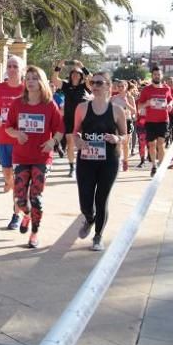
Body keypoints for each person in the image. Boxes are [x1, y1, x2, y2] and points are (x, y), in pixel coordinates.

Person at [5, 66, 64, 249]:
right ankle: (27, 214)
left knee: (36, 197)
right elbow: (8, 126)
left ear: (42, 82)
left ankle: (34, 233)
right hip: (21, 156)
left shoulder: (49, 104)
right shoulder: (17, 103)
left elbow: (60, 129)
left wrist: (52, 142)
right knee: (20, 198)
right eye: (28, 78)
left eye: (34, 78)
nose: (30, 81)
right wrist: (16, 134)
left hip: (42, 156)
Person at [74, 71, 127, 251]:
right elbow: (75, 132)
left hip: (108, 161)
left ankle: (98, 236)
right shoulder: (82, 108)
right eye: (93, 83)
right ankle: (89, 218)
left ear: (108, 87)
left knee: (102, 199)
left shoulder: (117, 110)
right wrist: (78, 140)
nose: (95, 86)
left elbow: (126, 135)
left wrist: (117, 139)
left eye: (99, 83)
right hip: (86, 159)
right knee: (85, 201)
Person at [0, 55, 26, 228]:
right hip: (2, 139)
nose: (12, 69)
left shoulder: (27, 89)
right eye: (9, 66)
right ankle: (8, 183)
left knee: (18, 179)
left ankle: (16, 215)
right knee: (8, 176)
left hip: (21, 140)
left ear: (22, 70)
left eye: (15, 66)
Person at [52, 61, 92, 179]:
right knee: (70, 143)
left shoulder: (85, 86)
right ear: (70, 76)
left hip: (83, 119)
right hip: (69, 119)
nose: (75, 76)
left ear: (81, 76)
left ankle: (85, 166)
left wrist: (82, 66)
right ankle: (71, 167)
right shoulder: (66, 85)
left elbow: (92, 78)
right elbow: (54, 79)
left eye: (78, 74)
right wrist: (59, 66)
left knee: (84, 143)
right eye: (73, 74)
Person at [137, 66, 173, 178]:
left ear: (161, 76)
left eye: (159, 74)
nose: (157, 76)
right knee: (151, 145)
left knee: (160, 144)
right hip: (150, 121)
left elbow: (170, 99)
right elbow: (139, 106)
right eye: (155, 74)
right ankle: (154, 166)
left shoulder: (166, 89)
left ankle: (161, 166)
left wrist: (170, 105)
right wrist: (147, 103)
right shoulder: (146, 90)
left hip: (163, 120)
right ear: (152, 76)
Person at [110, 80, 135, 172]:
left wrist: (127, 104)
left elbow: (134, 111)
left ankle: (125, 161)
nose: (120, 88)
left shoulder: (130, 98)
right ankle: (118, 162)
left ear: (126, 87)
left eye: (122, 86)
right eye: (119, 86)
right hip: (116, 122)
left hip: (127, 121)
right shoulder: (113, 98)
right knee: (118, 143)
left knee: (125, 143)